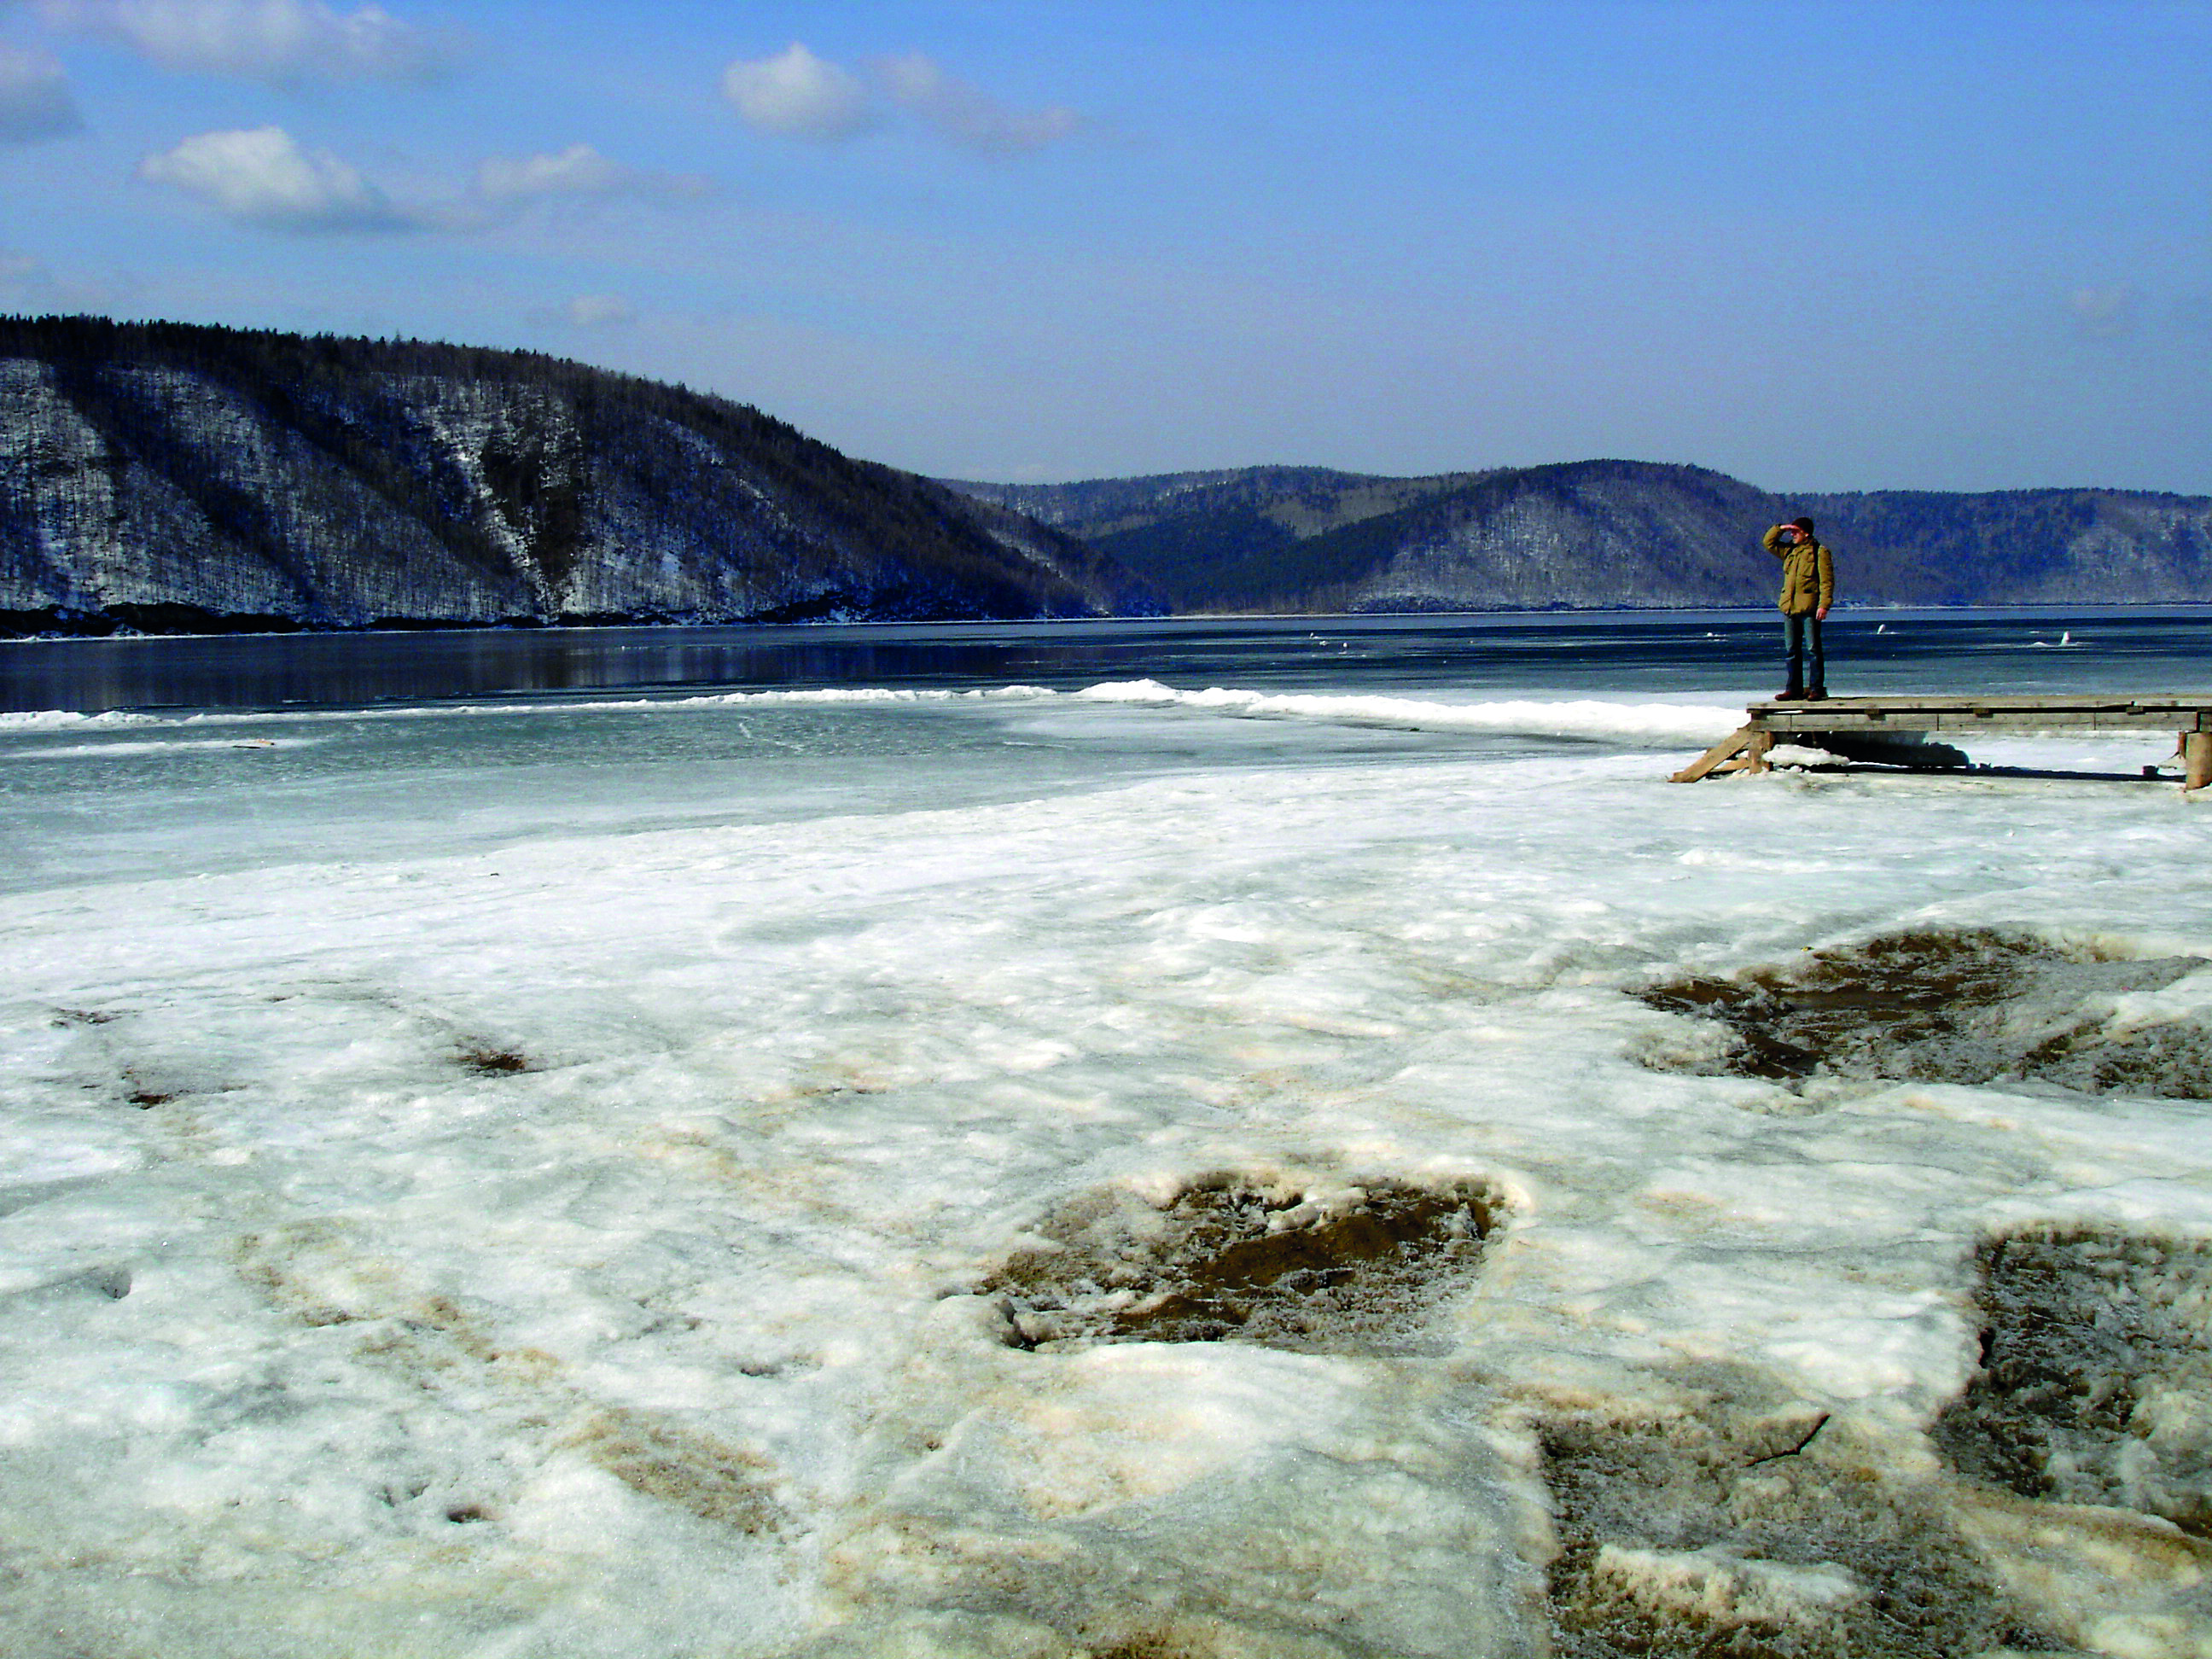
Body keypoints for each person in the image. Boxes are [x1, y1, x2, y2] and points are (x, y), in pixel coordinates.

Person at [1761, 515, 1834, 700]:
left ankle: (1816, 688)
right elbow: (1768, 542)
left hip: (1810, 608)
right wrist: (1782, 528)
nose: (1792, 535)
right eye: (1791, 531)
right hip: (1789, 608)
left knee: (1813, 649)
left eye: (1796, 531)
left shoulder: (1819, 552)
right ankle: (1793, 688)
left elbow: (1827, 582)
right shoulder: (1789, 552)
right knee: (1792, 650)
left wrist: (1824, 605)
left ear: (1806, 533)